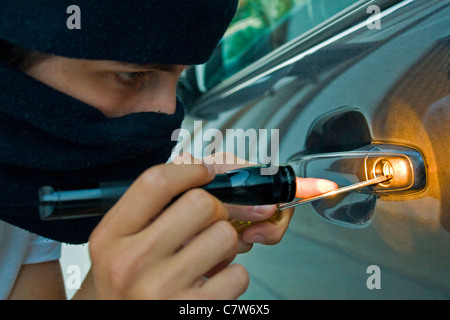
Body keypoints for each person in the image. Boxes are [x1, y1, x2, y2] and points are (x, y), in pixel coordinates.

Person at [0, 1, 337, 299]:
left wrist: (120, 285)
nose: (167, 112)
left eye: (179, 77)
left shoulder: (22, 199)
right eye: (130, 75)